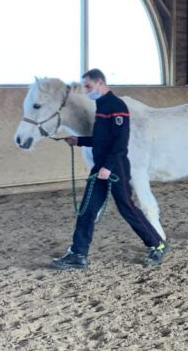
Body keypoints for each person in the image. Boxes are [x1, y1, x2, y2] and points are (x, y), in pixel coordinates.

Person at [51, 69, 169, 270]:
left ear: (99, 83)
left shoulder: (116, 106)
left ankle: (157, 243)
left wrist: (108, 166)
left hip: (116, 167)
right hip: (101, 166)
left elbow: (121, 142)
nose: (87, 91)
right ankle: (78, 254)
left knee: (127, 208)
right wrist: (79, 140)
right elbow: (101, 140)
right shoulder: (102, 106)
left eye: (88, 86)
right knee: (87, 209)